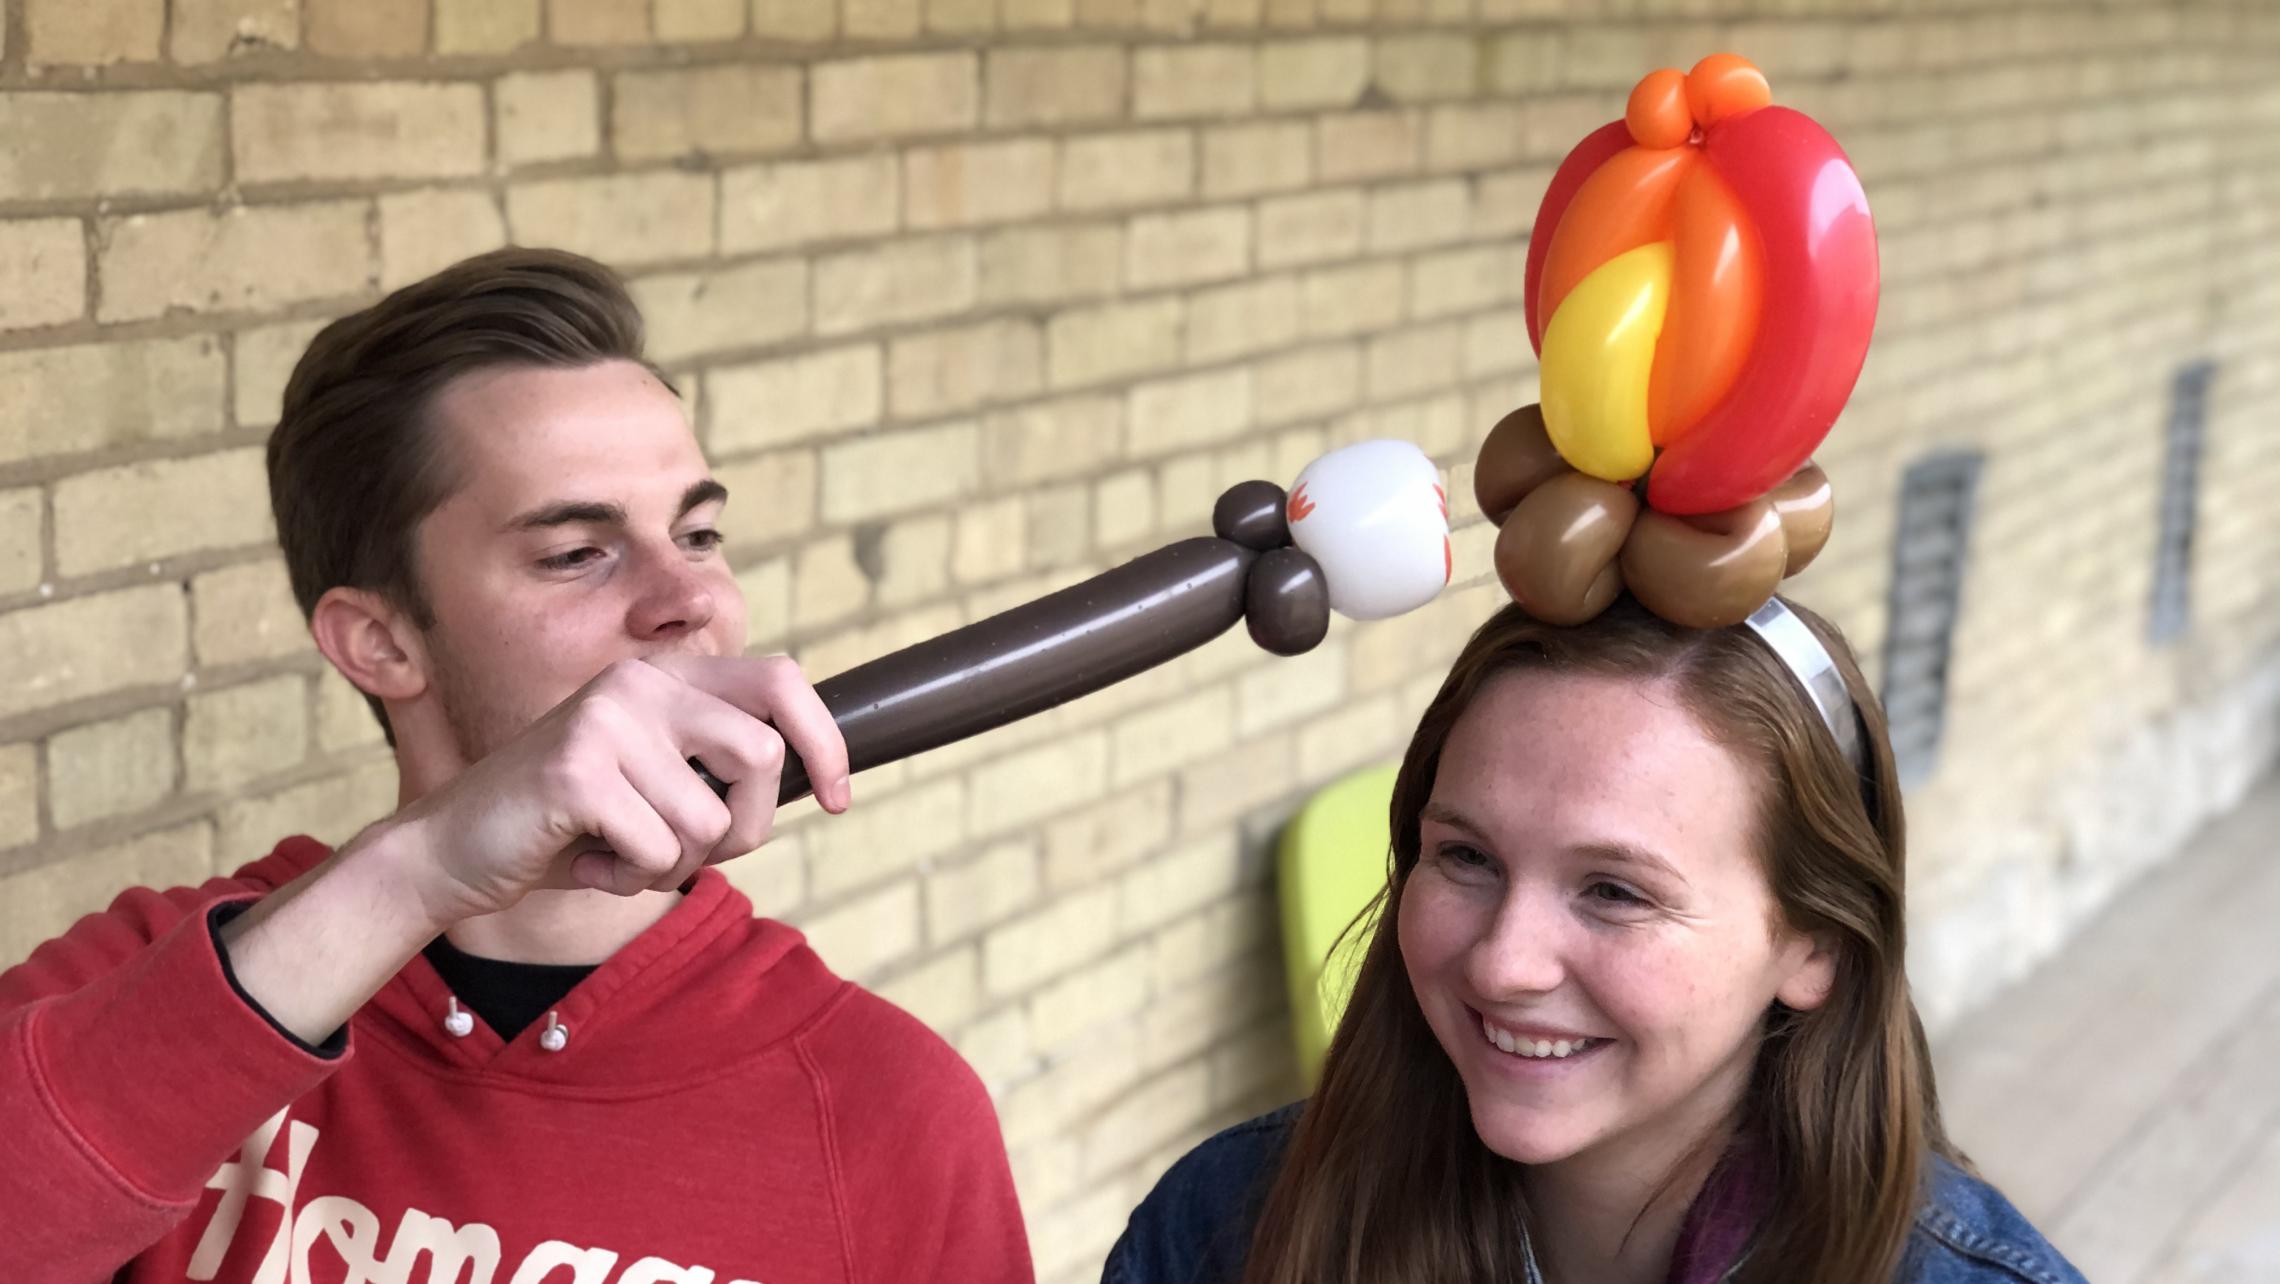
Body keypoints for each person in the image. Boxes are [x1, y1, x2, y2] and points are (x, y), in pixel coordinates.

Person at [0, 249, 1033, 1283]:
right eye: (577, 551)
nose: (690, 598)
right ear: (381, 642)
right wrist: (419, 870)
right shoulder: (139, 984)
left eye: (700, 533)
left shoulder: (882, 1108)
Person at [1106, 595, 2088, 1284]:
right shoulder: (1220, 1232)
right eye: (1467, 858)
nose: (1503, 961)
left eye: (1615, 891)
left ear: (1816, 947)